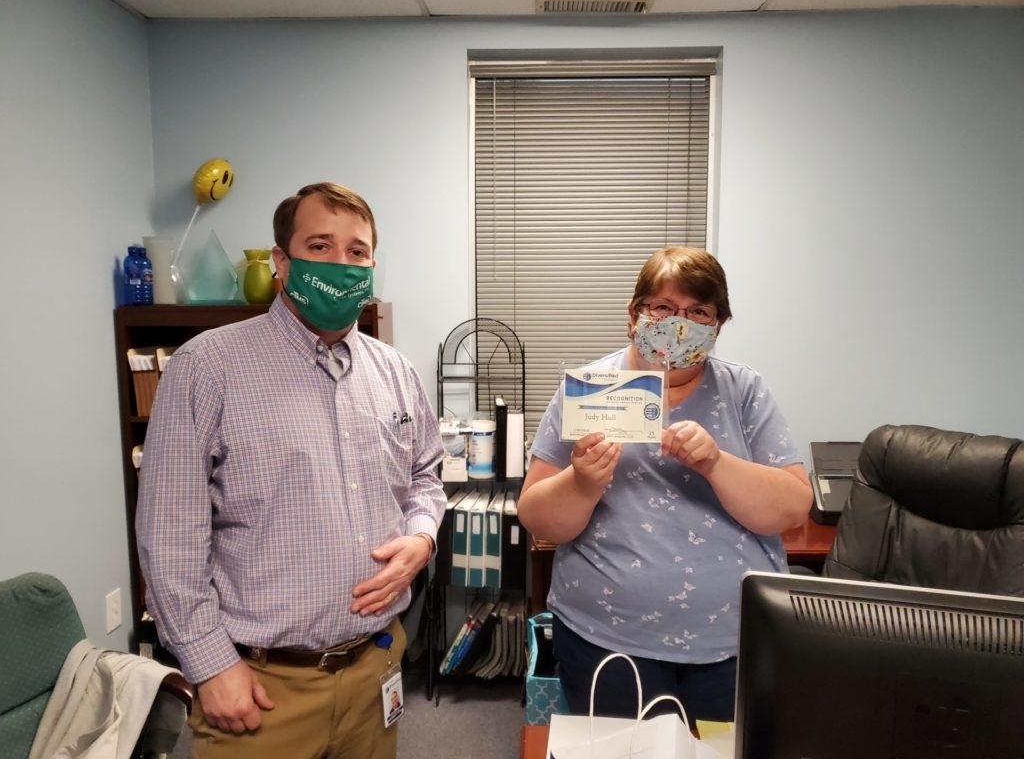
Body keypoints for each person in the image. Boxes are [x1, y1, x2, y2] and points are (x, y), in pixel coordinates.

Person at [136, 182, 446, 759]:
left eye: (357, 251)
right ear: (282, 261)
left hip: (374, 668)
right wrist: (209, 664)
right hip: (261, 688)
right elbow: (170, 533)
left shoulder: (395, 372)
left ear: (372, 265)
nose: (341, 263)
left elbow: (426, 473)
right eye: (320, 246)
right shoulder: (207, 367)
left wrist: (422, 537)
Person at [518, 246, 812, 722]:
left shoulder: (744, 391)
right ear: (634, 314)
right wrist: (583, 482)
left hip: (730, 643)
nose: (679, 324)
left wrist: (717, 463)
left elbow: (793, 507)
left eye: (699, 312)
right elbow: (538, 517)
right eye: (663, 307)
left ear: (718, 325)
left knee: (720, 752)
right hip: (606, 638)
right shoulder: (590, 390)